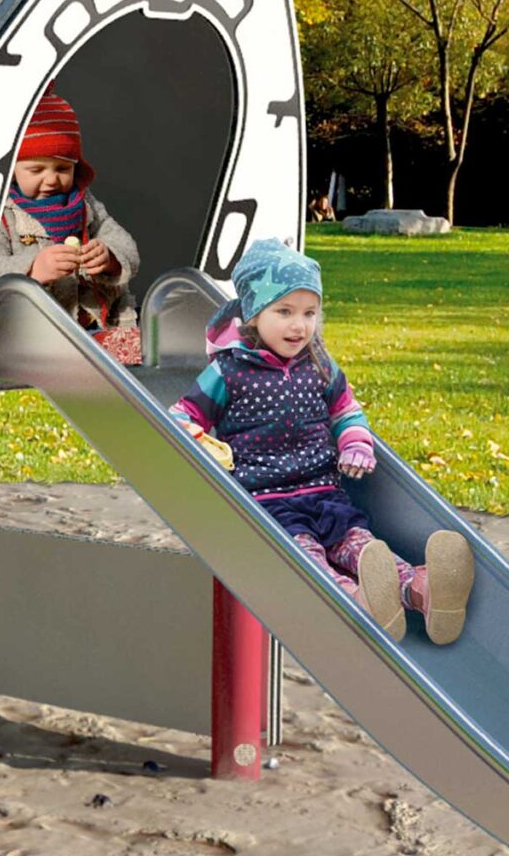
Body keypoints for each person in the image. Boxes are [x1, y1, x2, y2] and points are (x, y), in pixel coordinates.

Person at [168, 240, 474, 643]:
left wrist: (356, 444)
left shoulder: (318, 362)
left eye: (309, 313)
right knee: (308, 559)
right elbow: (184, 415)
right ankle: (359, 602)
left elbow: (346, 410)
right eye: (285, 312)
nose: (299, 326)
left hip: (325, 492)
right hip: (268, 503)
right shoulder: (228, 371)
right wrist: (197, 441)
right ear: (254, 314)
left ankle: (422, 591)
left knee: (362, 546)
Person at [0, 88, 139, 339]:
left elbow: (126, 245)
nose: (51, 180)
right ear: (13, 169)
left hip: (97, 328)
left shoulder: (84, 203)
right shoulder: (2, 215)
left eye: (62, 168)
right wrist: (33, 269)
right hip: (35, 335)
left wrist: (109, 257)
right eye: (36, 170)